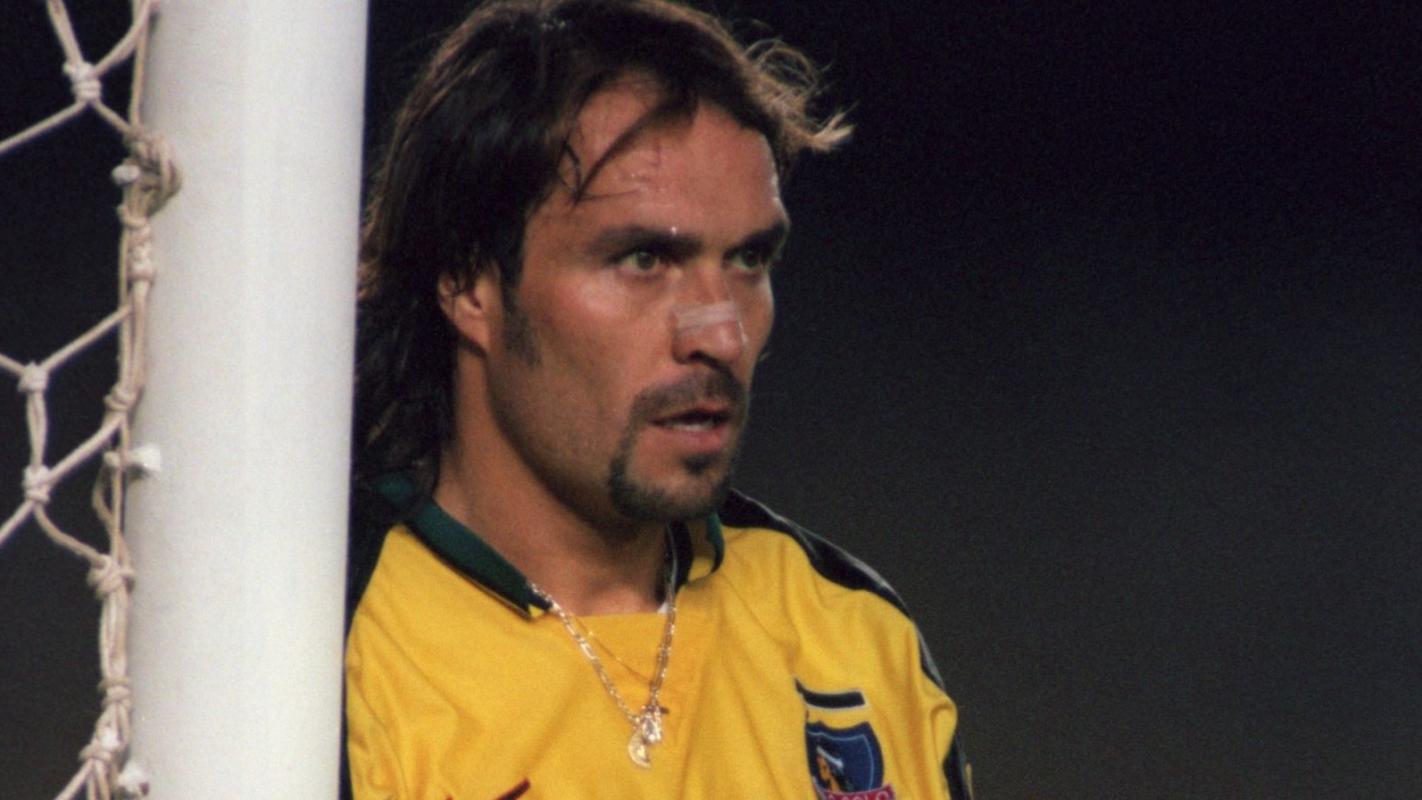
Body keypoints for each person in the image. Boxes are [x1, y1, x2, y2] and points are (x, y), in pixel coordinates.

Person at [344, 1, 973, 797]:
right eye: (645, 259)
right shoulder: (325, 654)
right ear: (470, 282)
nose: (722, 336)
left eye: (748, 260)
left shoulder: (853, 636)